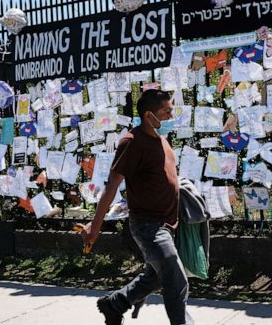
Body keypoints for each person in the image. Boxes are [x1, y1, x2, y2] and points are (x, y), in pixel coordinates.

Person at [78, 89, 193, 325]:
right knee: (176, 280)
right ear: (149, 115)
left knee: (157, 276)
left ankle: (115, 303)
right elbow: (112, 186)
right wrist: (95, 226)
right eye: (166, 111)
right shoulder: (131, 142)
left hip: (169, 224)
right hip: (148, 226)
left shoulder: (162, 141)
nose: (172, 116)